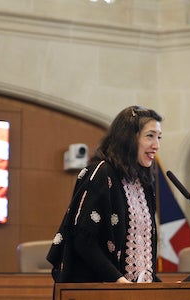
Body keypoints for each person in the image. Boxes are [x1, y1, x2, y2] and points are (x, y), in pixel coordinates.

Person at [46, 106, 163, 284]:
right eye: (150, 136)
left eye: (159, 137)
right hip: (98, 294)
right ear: (129, 138)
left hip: (135, 297)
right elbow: (82, 239)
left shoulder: (144, 184)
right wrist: (118, 280)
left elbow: (141, 255)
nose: (156, 145)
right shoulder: (101, 173)